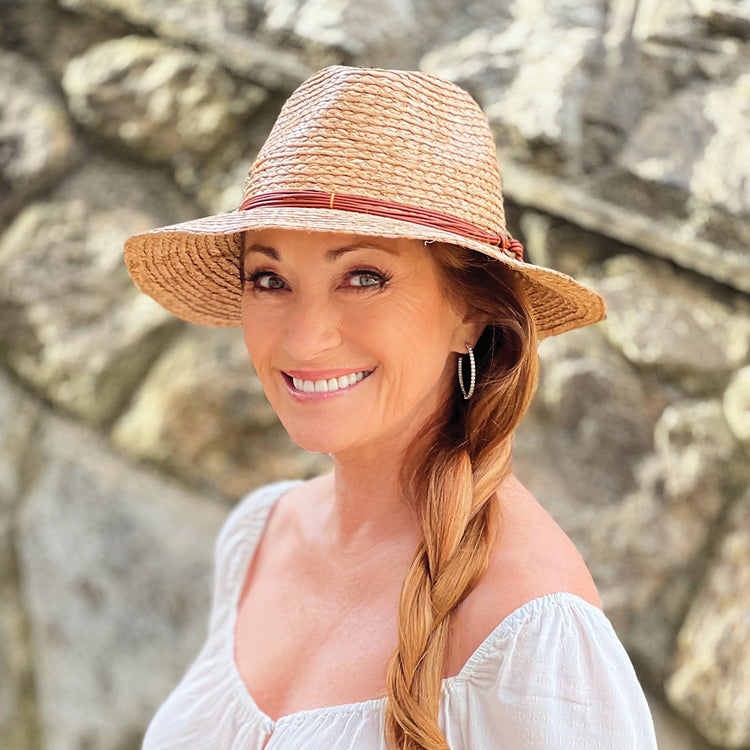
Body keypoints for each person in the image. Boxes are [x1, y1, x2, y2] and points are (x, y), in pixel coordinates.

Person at [124, 65, 658, 750]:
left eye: (364, 277)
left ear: (470, 315)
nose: (305, 336)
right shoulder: (258, 535)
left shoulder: (531, 631)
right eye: (270, 278)